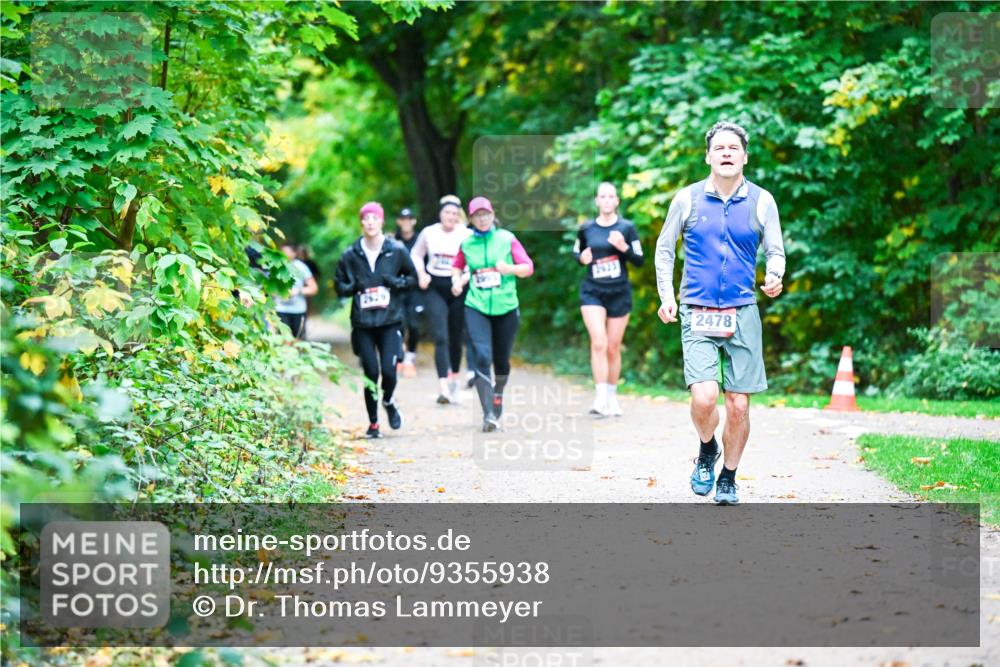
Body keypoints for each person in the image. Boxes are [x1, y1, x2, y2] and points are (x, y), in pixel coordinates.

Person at [654, 120, 785, 505]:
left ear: (745, 157)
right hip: (697, 309)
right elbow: (664, 250)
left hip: (742, 310)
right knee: (705, 398)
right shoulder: (687, 199)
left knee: (739, 405)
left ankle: (728, 477)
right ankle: (707, 446)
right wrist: (667, 296)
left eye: (734, 148)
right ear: (708, 156)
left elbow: (775, 251)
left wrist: (774, 275)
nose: (727, 153)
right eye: (719, 148)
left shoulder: (762, 201)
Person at [334, 202, 417, 439]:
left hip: (390, 321)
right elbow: (339, 285)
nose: (370, 222)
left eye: (375, 218)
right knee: (371, 373)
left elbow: (413, 278)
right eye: (366, 218)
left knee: (389, 372)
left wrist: (395, 282)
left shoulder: (396, 249)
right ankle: (373, 424)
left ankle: (388, 400)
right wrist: (353, 287)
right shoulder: (351, 254)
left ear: (381, 221)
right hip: (363, 323)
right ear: (362, 222)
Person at [451, 196, 534, 432]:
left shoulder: (506, 239)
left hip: (506, 307)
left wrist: (509, 269)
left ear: (492, 214)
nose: (482, 219)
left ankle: (498, 393)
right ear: (471, 219)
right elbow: (457, 266)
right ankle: (488, 413)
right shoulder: (467, 244)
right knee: (482, 355)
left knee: (501, 360)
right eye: (477, 215)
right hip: (476, 306)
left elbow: (528, 267)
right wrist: (456, 281)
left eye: (485, 214)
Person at [574, 182, 644, 416]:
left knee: (613, 347)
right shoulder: (586, 228)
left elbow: (639, 260)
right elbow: (577, 253)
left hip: (619, 292)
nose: (606, 200)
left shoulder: (627, 228)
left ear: (616, 201)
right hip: (593, 291)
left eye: (610, 196)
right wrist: (581, 259)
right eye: (602, 196)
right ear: (596, 201)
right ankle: (600, 397)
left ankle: (612, 397)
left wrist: (623, 247)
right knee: (599, 343)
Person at [411, 196, 472, 404]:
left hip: (457, 288)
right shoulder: (429, 233)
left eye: (454, 213)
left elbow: (474, 262)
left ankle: (454, 380)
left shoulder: (466, 234)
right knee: (441, 336)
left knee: (456, 337)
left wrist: (462, 280)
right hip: (434, 287)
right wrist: (421, 274)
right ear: (441, 214)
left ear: (459, 216)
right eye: (447, 212)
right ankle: (443, 387)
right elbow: (416, 254)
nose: (450, 216)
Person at [394, 208, 423, 378]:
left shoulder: (420, 239)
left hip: (416, 289)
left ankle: (410, 358)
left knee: (414, 325)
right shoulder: (392, 240)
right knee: (399, 323)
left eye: (409, 219)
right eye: (403, 219)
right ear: (399, 221)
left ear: (413, 221)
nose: (406, 222)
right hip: (397, 289)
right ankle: (399, 355)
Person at [274, 243, 318, 339]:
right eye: (282, 251)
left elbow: (314, 288)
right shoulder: (275, 266)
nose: (284, 254)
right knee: (283, 340)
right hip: (280, 309)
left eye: (287, 251)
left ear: (294, 253)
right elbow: (269, 288)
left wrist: (297, 291)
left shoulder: (302, 267)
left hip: (298, 310)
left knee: (298, 340)